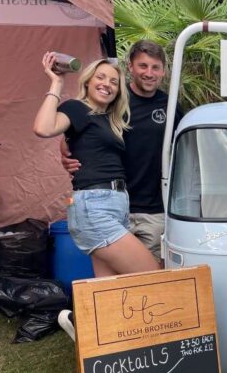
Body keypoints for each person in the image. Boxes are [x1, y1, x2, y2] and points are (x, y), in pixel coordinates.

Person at [34, 54, 161, 339]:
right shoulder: (76, 108)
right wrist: (56, 82)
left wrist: (66, 148)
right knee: (153, 276)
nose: (107, 84)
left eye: (114, 81)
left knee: (108, 289)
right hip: (95, 207)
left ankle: (91, 334)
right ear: (88, 81)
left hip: (114, 205)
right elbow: (43, 127)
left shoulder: (108, 118)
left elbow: (84, 146)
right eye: (101, 78)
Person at [61, 40, 182, 261]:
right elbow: (81, 124)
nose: (149, 73)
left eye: (155, 67)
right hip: (111, 206)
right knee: (116, 283)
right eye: (143, 66)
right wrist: (66, 150)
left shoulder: (171, 106)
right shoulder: (114, 100)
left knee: (151, 279)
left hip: (153, 209)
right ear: (130, 67)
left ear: (163, 71)